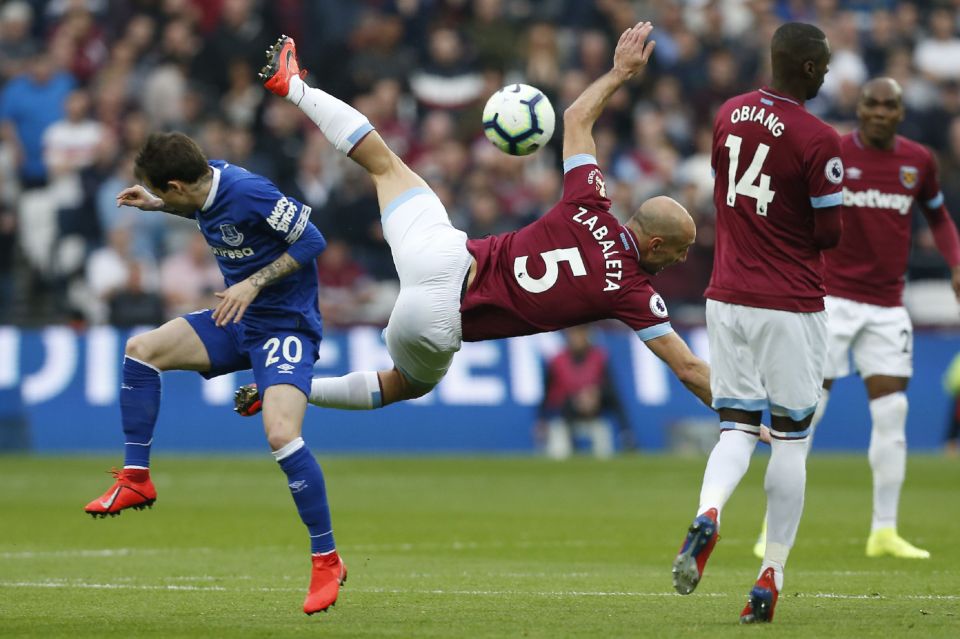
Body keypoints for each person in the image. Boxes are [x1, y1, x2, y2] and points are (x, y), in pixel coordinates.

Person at [236, 27, 713, 439]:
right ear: (654, 244)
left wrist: (619, 73)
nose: (680, 259)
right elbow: (690, 370)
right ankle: (289, 387)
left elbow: (575, 119)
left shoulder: (588, 201)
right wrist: (754, 420)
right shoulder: (631, 290)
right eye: (680, 250)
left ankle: (295, 86)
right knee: (404, 384)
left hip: (444, 253)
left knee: (384, 166)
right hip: (440, 317)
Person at [81, 132, 347, 615]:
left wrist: (253, 282)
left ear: (180, 182)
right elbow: (194, 205)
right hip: (238, 319)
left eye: (167, 191)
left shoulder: (250, 192)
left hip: (285, 324)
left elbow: (313, 239)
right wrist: (158, 204)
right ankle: (137, 476)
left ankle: (327, 558)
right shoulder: (200, 189)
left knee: (281, 434)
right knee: (142, 349)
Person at [670, 23, 844, 624]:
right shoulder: (818, 139)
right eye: (821, 65)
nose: (827, 73)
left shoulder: (729, 113)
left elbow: (729, 192)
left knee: (736, 431)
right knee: (792, 440)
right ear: (803, 67)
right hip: (790, 302)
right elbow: (830, 233)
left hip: (727, 297)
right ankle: (770, 573)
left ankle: (710, 512)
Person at [751, 78, 960, 561]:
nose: (881, 112)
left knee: (893, 417)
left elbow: (940, 217)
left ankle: (884, 531)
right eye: (873, 104)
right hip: (831, 303)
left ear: (901, 112)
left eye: (890, 105)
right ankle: (770, 529)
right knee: (806, 416)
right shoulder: (833, 153)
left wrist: (954, 262)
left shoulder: (919, 161)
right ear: (860, 108)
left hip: (888, 307)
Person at [539, 324, 633, 460]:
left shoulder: (599, 358)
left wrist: (595, 395)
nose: (576, 338)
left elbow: (612, 393)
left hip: (594, 417)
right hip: (564, 418)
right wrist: (542, 419)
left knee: (602, 444)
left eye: (580, 334)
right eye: (573, 334)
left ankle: (626, 436)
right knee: (559, 451)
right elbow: (548, 393)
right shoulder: (557, 360)